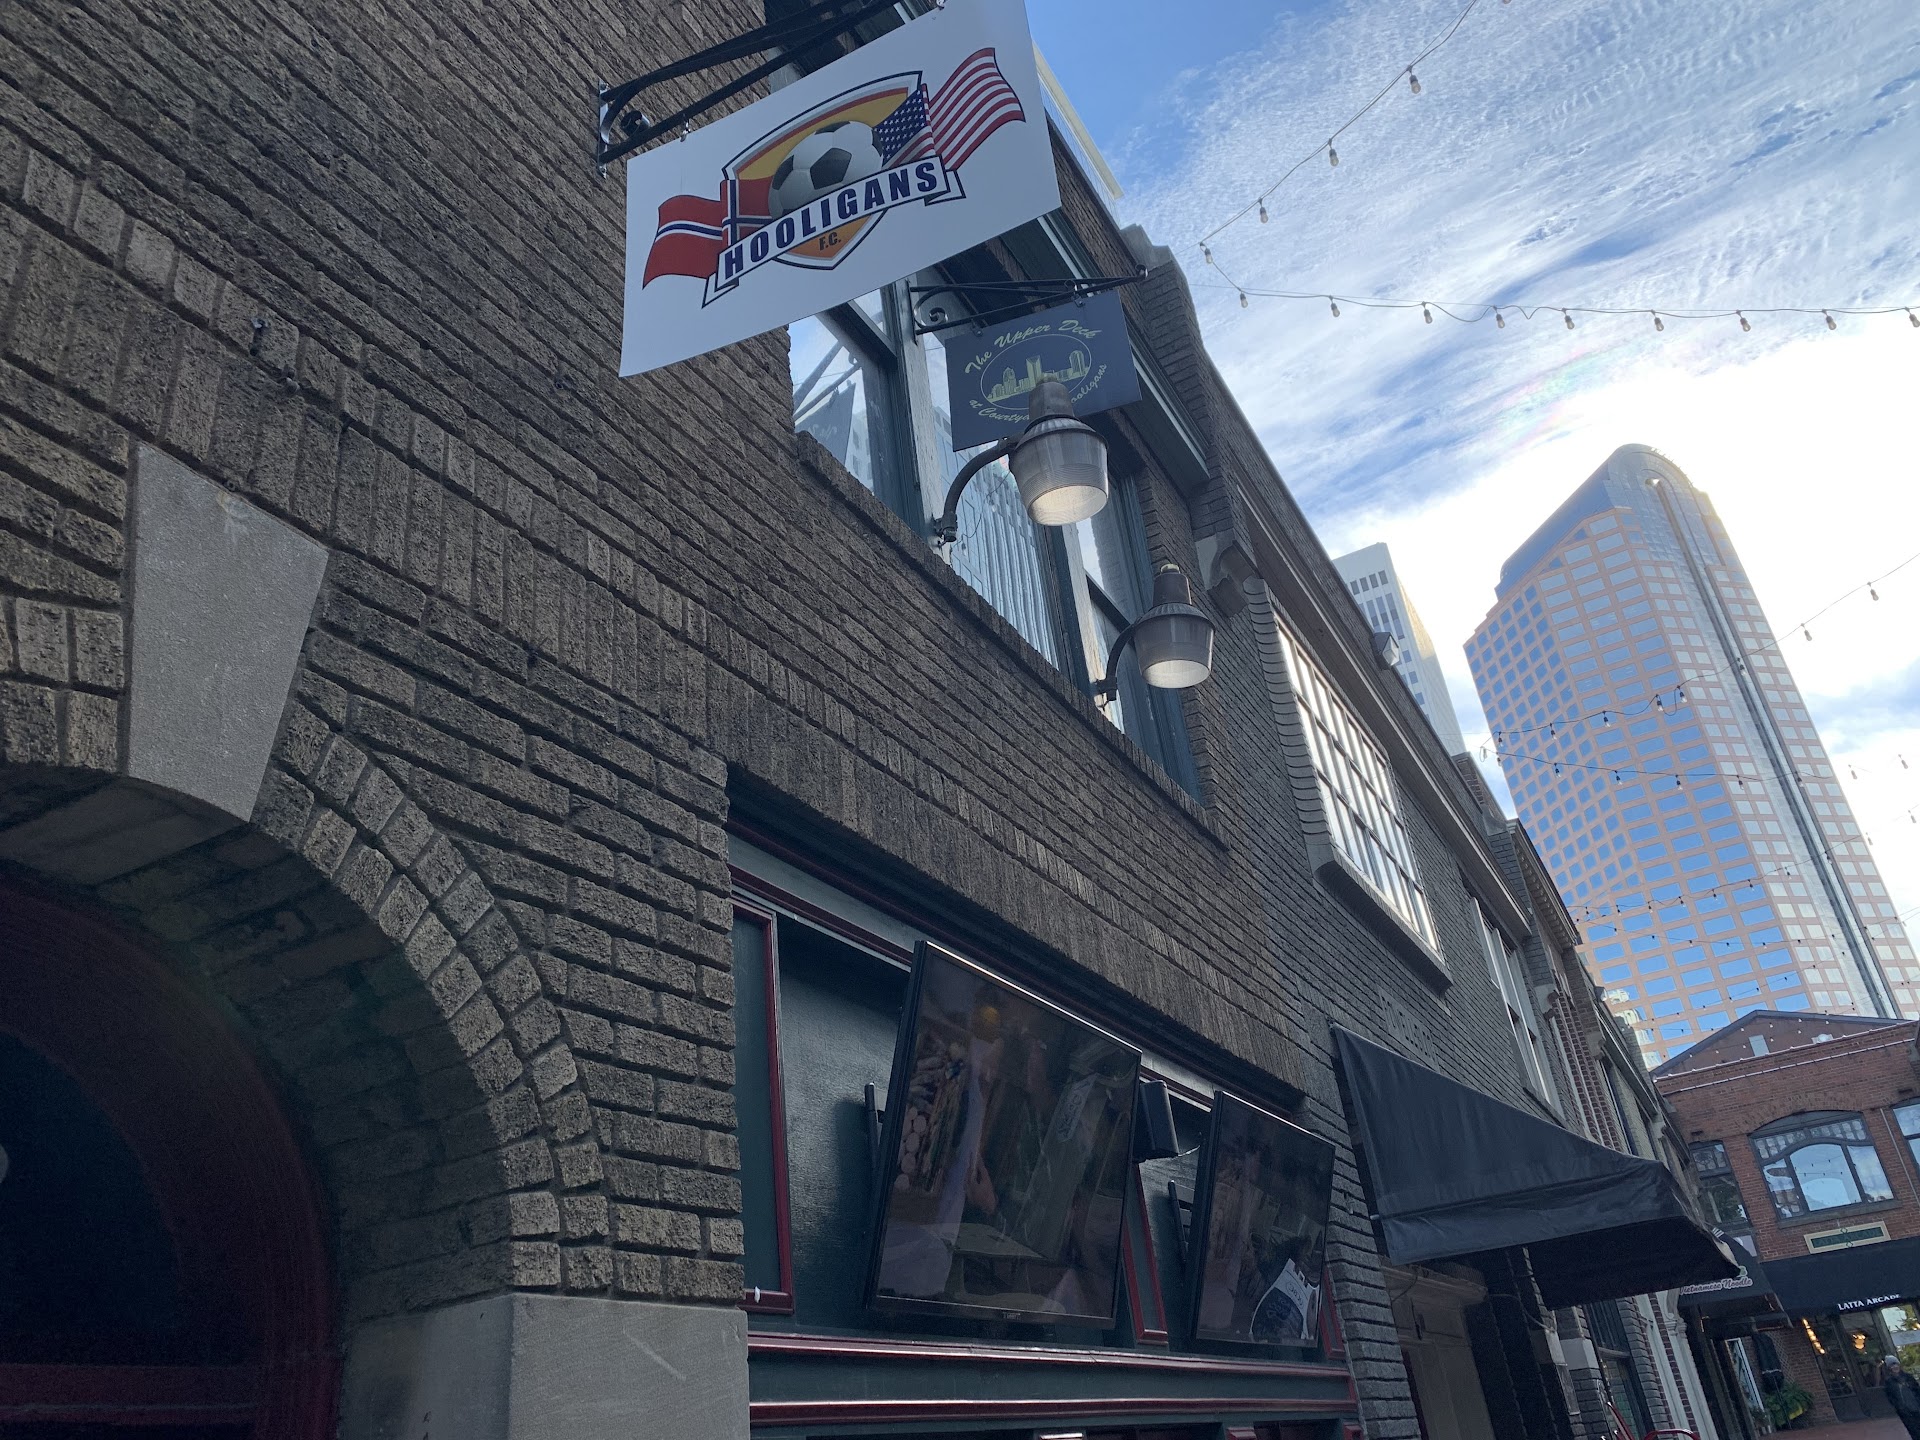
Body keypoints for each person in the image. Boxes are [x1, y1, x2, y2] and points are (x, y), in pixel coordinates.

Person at [1883, 1355, 1920, 1440]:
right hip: (1905, 1412)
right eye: (1892, 1365)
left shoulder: (1908, 1377)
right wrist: (1899, 1407)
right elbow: (1890, 1397)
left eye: (1895, 1364)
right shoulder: (1889, 1382)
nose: (1895, 1367)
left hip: (1916, 1407)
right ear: (1889, 1368)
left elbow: (1917, 1389)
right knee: (1914, 1431)